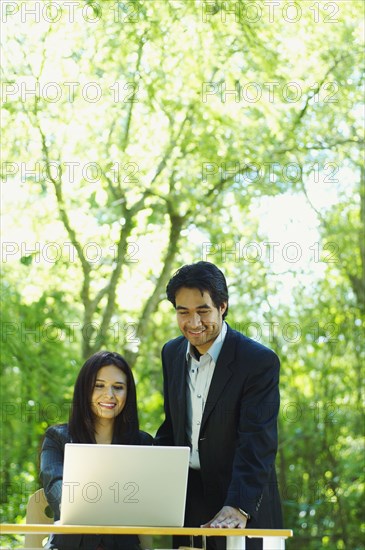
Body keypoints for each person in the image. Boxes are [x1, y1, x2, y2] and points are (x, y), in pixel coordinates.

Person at [155, 261, 283, 550]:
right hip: (189, 506)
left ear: (222, 306)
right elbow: (173, 428)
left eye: (203, 311)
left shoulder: (258, 362)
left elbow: (257, 442)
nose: (194, 323)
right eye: (183, 312)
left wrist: (238, 505)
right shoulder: (171, 353)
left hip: (244, 507)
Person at [40, 350, 153, 550]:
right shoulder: (57, 438)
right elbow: (56, 486)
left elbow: (149, 500)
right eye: (99, 385)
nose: (109, 395)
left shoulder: (143, 443)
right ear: (85, 389)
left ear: (128, 394)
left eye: (118, 387)